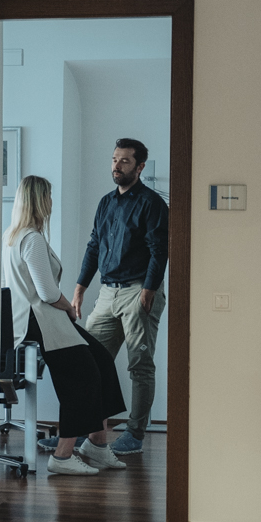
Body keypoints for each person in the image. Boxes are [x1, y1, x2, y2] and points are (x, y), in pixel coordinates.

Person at [6, 175, 128, 476]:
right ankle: (62, 456)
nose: (51, 201)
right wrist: (70, 308)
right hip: (41, 321)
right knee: (83, 378)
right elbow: (47, 293)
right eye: (48, 196)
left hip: (43, 319)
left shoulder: (15, 235)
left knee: (102, 362)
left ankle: (97, 445)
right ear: (40, 200)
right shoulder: (31, 239)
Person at [70, 138, 170, 454]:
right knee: (89, 363)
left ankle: (135, 434)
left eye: (125, 160)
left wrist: (148, 291)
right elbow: (94, 246)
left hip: (138, 290)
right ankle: (80, 433)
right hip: (107, 292)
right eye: (114, 159)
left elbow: (159, 250)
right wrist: (80, 288)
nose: (117, 165)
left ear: (140, 167)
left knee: (140, 365)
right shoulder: (106, 203)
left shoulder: (152, 203)